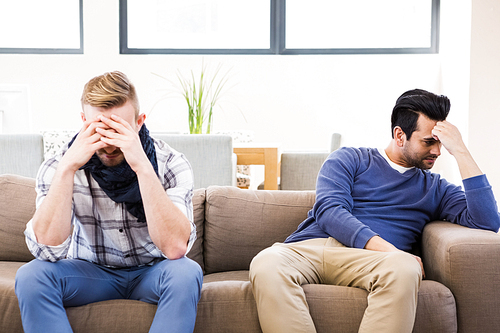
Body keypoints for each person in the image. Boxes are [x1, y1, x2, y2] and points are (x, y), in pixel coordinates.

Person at [249, 89, 500, 333]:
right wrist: (389, 250)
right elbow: (329, 210)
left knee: (405, 269)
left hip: (371, 264)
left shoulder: (435, 188)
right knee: (266, 262)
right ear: (400, 135)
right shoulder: (350, 159)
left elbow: (488, 221)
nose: (437, 151)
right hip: (310, 249)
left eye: (442, 143)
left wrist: (461, 151)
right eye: (428, 142)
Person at [15, 71, 203, 333]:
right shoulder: (60, 165)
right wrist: (68, 167)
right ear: (83, 122)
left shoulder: (170, 163)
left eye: (119, 128)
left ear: (139, 123)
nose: (109, 142)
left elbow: (174, 249)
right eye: (99, 127)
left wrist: (143, 167)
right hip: (89, 272)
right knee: (31, 276)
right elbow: (47, 249)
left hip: (152, 271)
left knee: (186, 272)